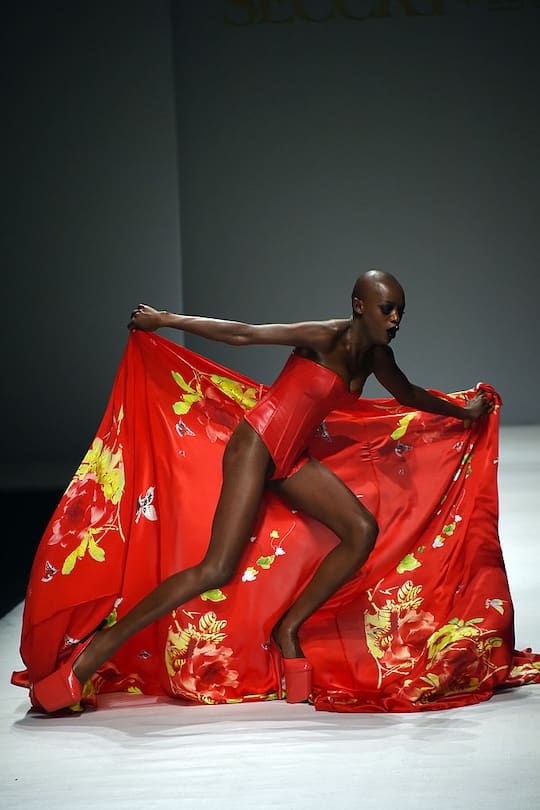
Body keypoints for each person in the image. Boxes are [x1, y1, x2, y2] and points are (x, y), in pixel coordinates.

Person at [30, 269, 492, 712]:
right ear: (359, 306)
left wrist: (464, 413)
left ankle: (289, 629)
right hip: (254, 448)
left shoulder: (376, 358)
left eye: (400, 313)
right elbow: (244, 334)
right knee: (216, 568)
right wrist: (165, 320)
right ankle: (85, 662)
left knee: (360, 530)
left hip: (290, 461)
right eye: (388, 309)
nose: (395, 320)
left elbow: (408, 395)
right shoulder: (323, 336)